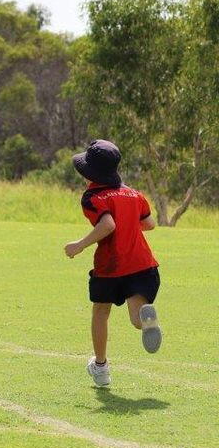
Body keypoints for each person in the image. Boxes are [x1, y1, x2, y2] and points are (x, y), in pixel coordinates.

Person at [63, 139, 162, 388]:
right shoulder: (134, 194)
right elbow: (149, 224)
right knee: (137, 317)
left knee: (101, 312)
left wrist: (80, 244)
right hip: (142, 264)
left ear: (89, 172)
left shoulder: (93, 197)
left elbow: (108, 225)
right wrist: (128, 225)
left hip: (111, 266)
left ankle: (101, 368)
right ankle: (146, 322)